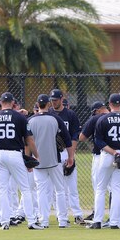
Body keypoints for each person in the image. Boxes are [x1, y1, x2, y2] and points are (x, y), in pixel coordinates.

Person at [0, 92, 43, 230]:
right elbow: (29, 139)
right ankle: (31, 221)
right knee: (25, 188)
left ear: (0, 103)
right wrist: (36, 155)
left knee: (2, 189)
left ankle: (4, 222)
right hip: (15, 154)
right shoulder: (20, 117)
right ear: (12, 103)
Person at [89, 93, 120, 229]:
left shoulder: (103, 119)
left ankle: (97, 221)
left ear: (109, 104)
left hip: (106, 155)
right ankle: (115, 222)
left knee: (100, 188)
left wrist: (113, 152)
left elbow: (98, 141)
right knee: (117, 189)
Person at [28, 94, 74, 228]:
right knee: (60, 190)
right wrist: (70, 157)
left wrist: (28, 159)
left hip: (38, 161)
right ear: (48, 104)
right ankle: (62, 221)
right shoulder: (56, 118)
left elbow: (27, 142)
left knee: (41, 191)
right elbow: (67, 140)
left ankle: (44, 220)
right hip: (55, 160)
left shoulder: (30, 120)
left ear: (37, 104)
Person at [49, 89, 84, 225]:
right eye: (52, 100)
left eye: (56, 100)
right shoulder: (49, 114)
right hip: (53, 154)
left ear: (62, 98)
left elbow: (75, 135)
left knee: (71, 186)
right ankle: (60, 214)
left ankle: (77, 214)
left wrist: (71, 155)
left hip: (67, 151)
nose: (53, 102)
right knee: (55, 188)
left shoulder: (70, 114)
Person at [78, 100, 109, 223]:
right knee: (117, 188)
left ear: (97, 110)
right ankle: (118, 216)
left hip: (100, 155)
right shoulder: (117, 117)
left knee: (99, 187)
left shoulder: (95, 118)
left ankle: (97, 214)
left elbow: (82, 137)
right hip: (119, 155)